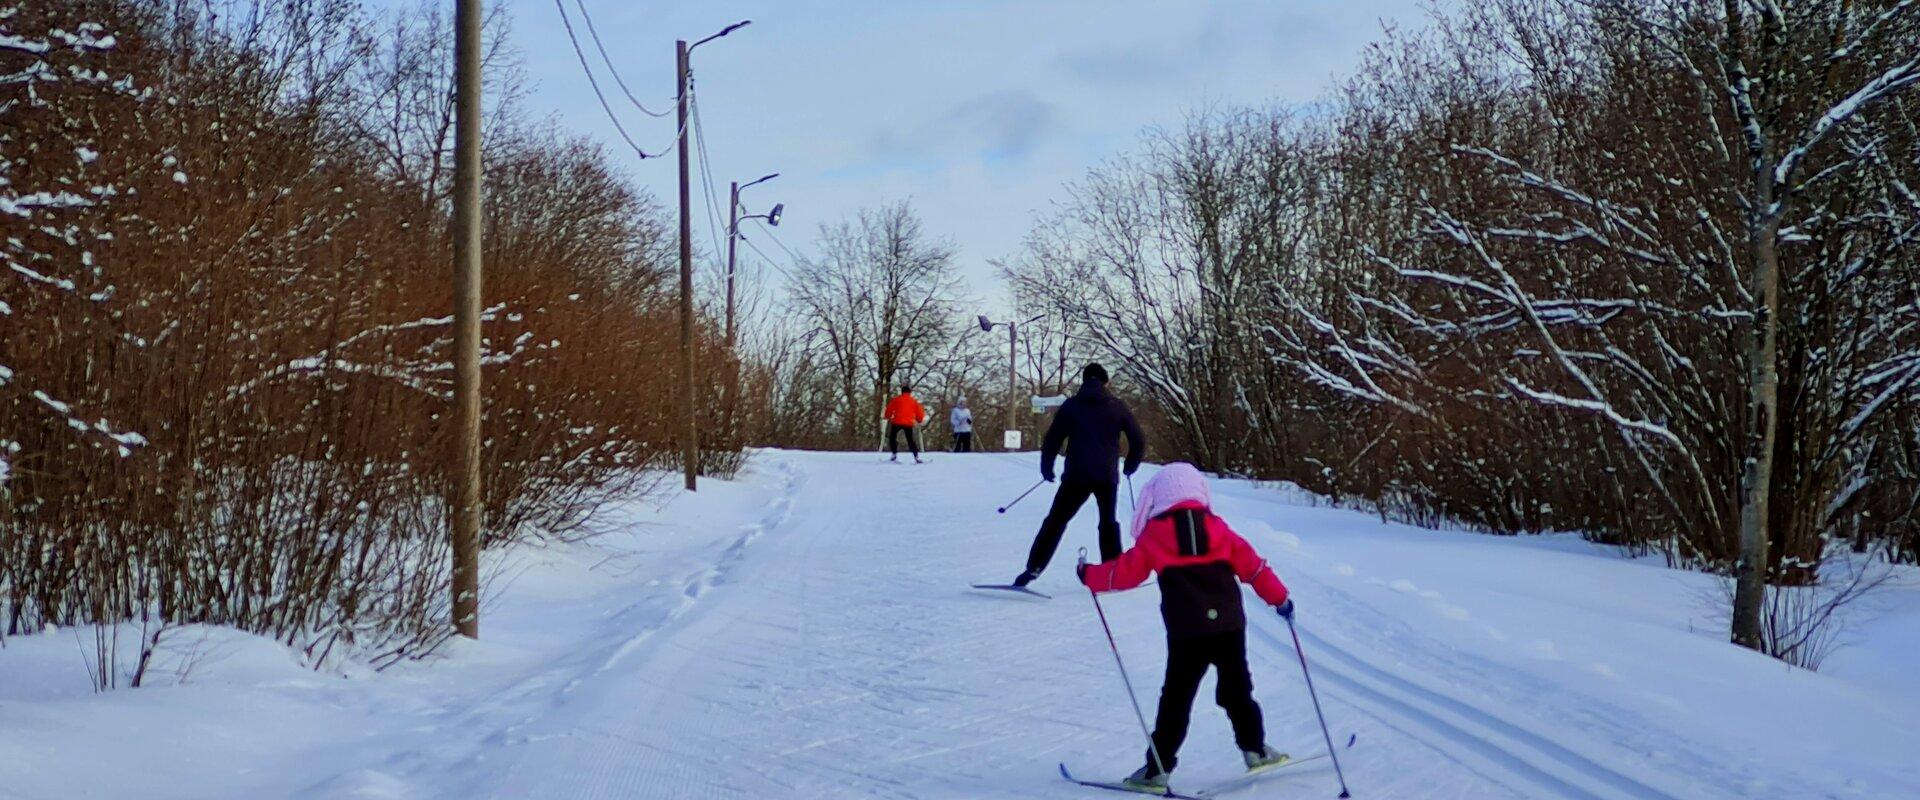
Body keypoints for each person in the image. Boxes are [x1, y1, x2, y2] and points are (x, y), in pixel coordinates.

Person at [1077, 463, 1293, 791]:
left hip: (1186, 631)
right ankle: (1256, 750)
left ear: (1159, 496)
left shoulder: (1155, 534)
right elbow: (1254, 567)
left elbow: (1125, 573)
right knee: (1237, 691)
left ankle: (1157, 771)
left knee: (1176, 699)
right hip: (1229, 628)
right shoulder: (1219, 528)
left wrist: (1088, 574)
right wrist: (1281, 600)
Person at [1012, 362, 1143, 586]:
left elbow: (1053, 437)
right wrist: (1131, 463)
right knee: (1108, 522)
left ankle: (1033, 569)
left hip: (1076, 475)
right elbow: (1138, 439)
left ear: (1084, 380)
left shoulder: (1072, 406)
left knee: (1056, 520)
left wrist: (1047, 465)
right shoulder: (1116, 406)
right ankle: (1114, 573)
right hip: (1106, 476)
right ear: (1105, 381)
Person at [882, 383, 928, 463]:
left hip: (897, 421)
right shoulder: (913, 401)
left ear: (902, 392)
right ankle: (916, 456)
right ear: (910, 392)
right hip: (908, 423)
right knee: (910, 440)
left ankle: (894, 453)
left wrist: (887, 416)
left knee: (892, 437)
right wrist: (919, 420)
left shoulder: (896, 399)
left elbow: (889, 409)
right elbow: (919, 412)